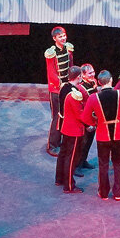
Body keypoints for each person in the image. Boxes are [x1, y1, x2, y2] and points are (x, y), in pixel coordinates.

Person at [80, 70, 120, 201]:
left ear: (99, 83)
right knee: (118, 164)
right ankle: (118, 193)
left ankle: (104, 193)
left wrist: (95, 122)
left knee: (103, 164)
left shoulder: (93, 97)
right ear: (111, 80)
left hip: (103, 135)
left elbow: (85, 118)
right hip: (119, 134)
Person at [55, 66, 89, 193]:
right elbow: (79, 114)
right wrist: (89, 124)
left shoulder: (64, 87)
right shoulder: (75, 94)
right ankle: (69, 185)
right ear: (79, 77)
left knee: (63, 154)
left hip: (65, 126)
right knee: (71, 157)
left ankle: (59, 179)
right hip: (74, 129)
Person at [45, 26, 74, 156]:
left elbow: (71, 66)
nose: (63, 38)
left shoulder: (68, 48)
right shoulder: (51, 53)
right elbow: (51, 73)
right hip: (56, 89)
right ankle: (52, 146)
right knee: (57, 117)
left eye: (64, 36)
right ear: (54, 39)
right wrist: (61, 85)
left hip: (66, 86)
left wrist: (72, 82)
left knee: (65, 116)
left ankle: (60, 142)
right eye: (60, 37)